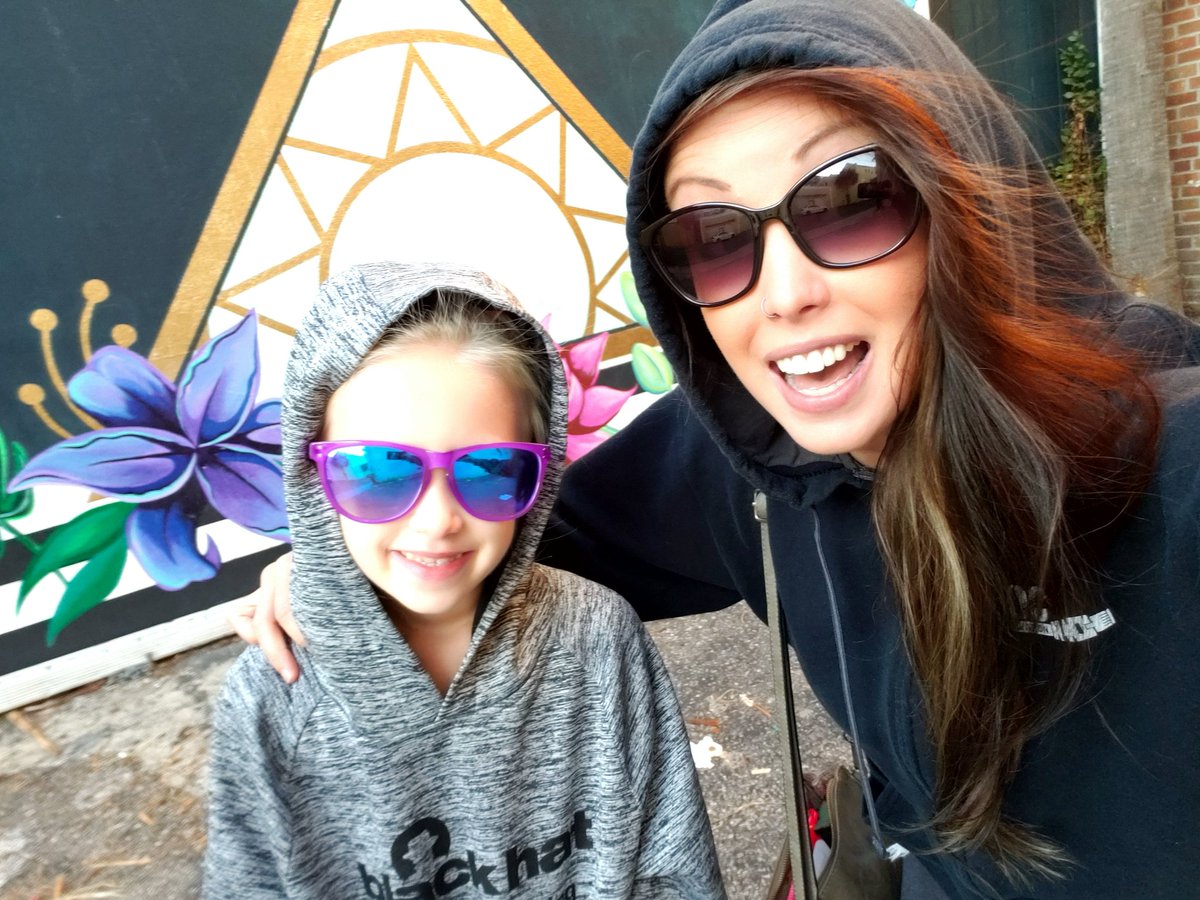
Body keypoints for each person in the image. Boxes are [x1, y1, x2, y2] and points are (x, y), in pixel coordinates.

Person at [234, 2, 1200, 897]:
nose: (784, 294)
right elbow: (503, 529)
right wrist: (333, 559)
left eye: (850, 199)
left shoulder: (1169, 458)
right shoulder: (737, 458)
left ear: (964, 206)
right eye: (714, 235)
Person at [204, 261, 725, 899]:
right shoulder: (273, 700)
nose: (438, 520)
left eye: (489, 470)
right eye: (377, 471)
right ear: (314, 477)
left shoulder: (600, 638)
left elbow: (672, 869)